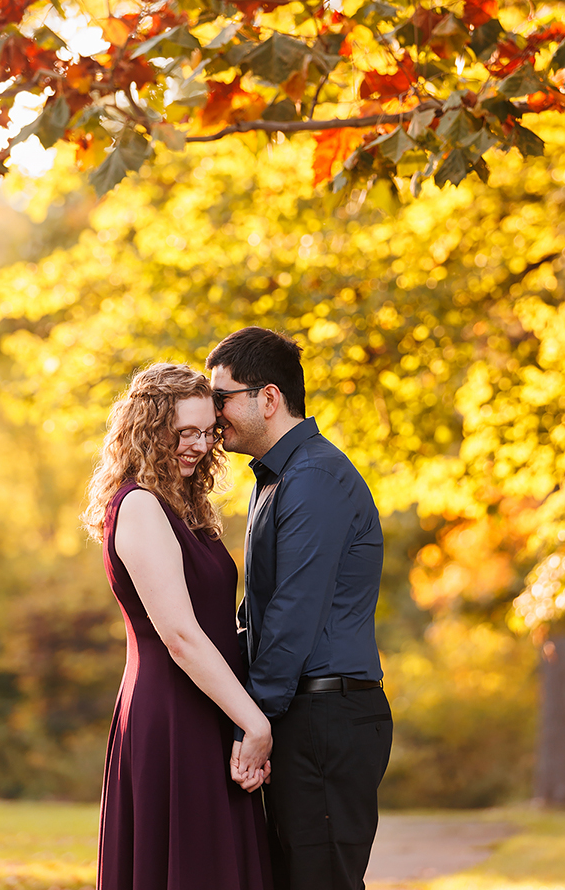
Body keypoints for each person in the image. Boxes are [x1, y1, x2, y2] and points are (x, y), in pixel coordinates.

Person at [206, 328, 392, 890]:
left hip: (327, 721)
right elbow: (258, 611)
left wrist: (252, 721)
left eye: (222, 398)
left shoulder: (314, 478)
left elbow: (292, 614)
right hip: (304, 715)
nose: (215, 416)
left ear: (268, 398)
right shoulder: (277, 477)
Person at [82, 363, 274, 890]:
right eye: (182, 432)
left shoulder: (182, 505)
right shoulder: (141, 505)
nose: (197, 445)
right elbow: (182, 637)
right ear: (148, 429)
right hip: (174, 715)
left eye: (207, 431)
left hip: (209, 707)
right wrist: (255, 724)